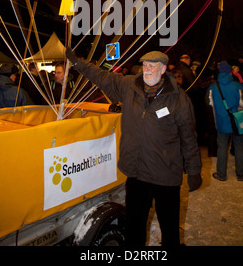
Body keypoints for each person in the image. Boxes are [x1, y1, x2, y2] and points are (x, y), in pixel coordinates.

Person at [65, 48, 202, 248]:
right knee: (134, 227)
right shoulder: (128, 86)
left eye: (152, 66)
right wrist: (78, 63)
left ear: (163, 69)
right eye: (145, 65)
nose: (147, 69)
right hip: (137, 173)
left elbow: (189, 137)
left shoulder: (178, 99)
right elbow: (101, 77)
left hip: (166, 174)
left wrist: (194, 169)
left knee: (169, 229)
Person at [207, 61, 243, 181]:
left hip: (221, 122)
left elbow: (209, 102)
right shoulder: (238, 85)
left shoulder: (213, 86)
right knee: (239, 146)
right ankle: (240, 173)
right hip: (237, 121)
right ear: (230, 72)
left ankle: (221, 174)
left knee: (222, 147)